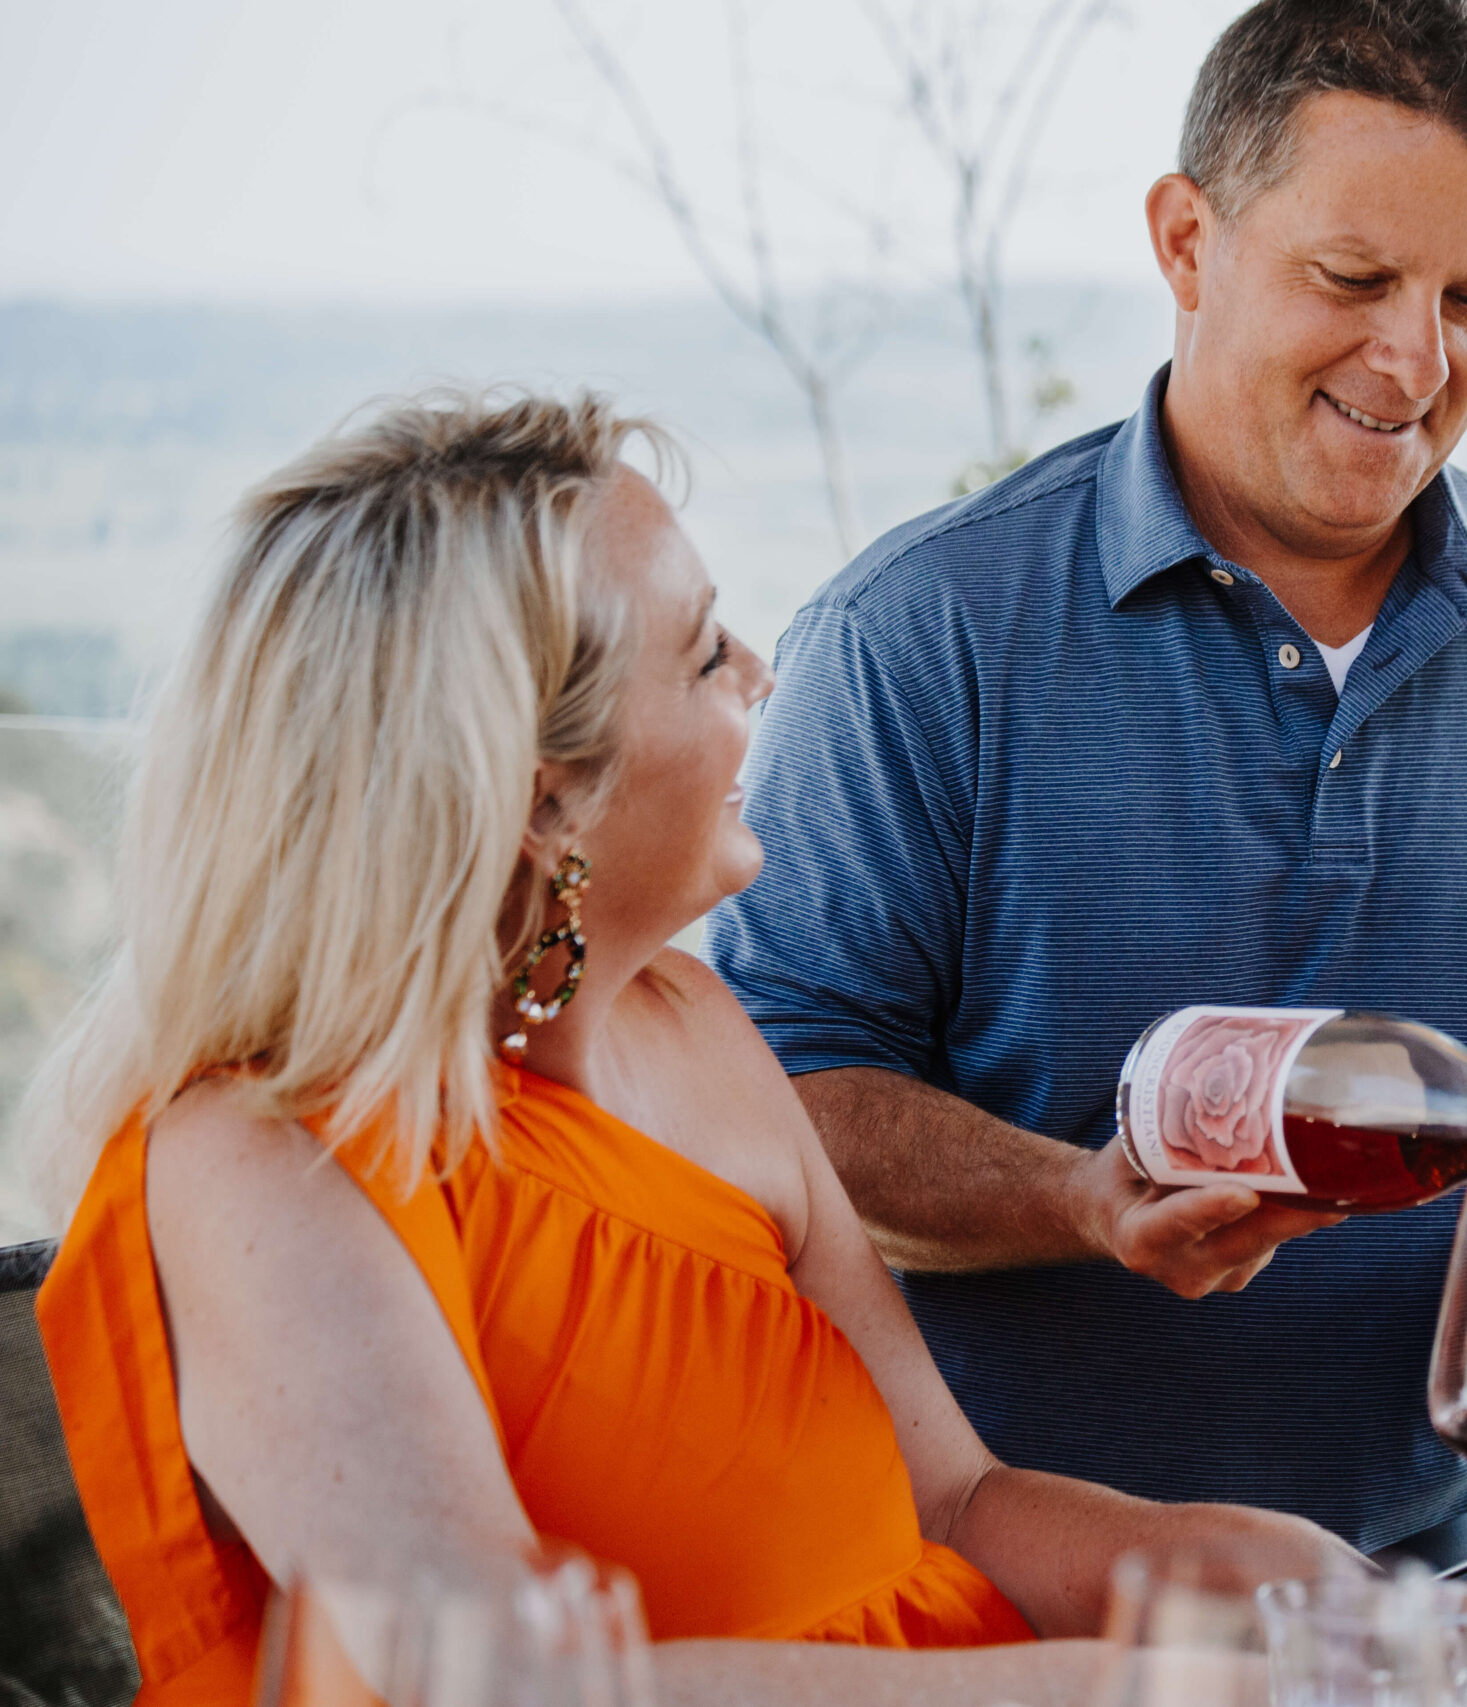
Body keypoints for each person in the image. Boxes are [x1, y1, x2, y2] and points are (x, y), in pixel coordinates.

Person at [20, 392, 1349, 1707]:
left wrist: (1268, 1581)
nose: (763, 673)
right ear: (550, 801)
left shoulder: (701, 1028)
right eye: (707, 654)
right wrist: (1128, 1688)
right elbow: (498, 1682)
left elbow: (953, 1498)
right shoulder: (260, 1166)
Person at [706, 0, 1467, 1555]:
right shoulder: (916, 637)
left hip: (1453, 1574)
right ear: (1187, 240)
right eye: (1354, 278)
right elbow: (778, 1111)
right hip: (1008, 1593)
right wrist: (1081, 1196)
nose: (1416, 357)